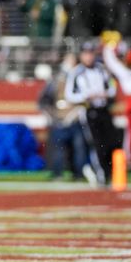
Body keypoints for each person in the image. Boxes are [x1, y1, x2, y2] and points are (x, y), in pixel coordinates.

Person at [64, 42, 122, 185]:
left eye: (91, 53)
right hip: (89, 111)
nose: (89, 57)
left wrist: (104, 94)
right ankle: (101, 173)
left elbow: (112, 88)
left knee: (111, 142)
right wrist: (85, 96)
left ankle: (108, 172)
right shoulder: (76, 72)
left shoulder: (101, 69)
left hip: (103, 110)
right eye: (86, 54)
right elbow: (69, 95)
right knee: (97, 144)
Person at [38, 53, 89, 181]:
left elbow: (84, 99)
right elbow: (44, 101)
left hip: (75, 118)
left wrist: (76, 113)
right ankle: (57, 173)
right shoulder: (56, 79)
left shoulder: (81, 77)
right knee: (58, 149)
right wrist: (52, 116)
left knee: (78, 149)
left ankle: (78, 173)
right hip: (59, 120)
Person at [102, 43, 131, 168]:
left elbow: (111, 62)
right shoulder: (129, 73)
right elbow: (111, 62)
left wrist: (109, 48)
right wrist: (110, 47)